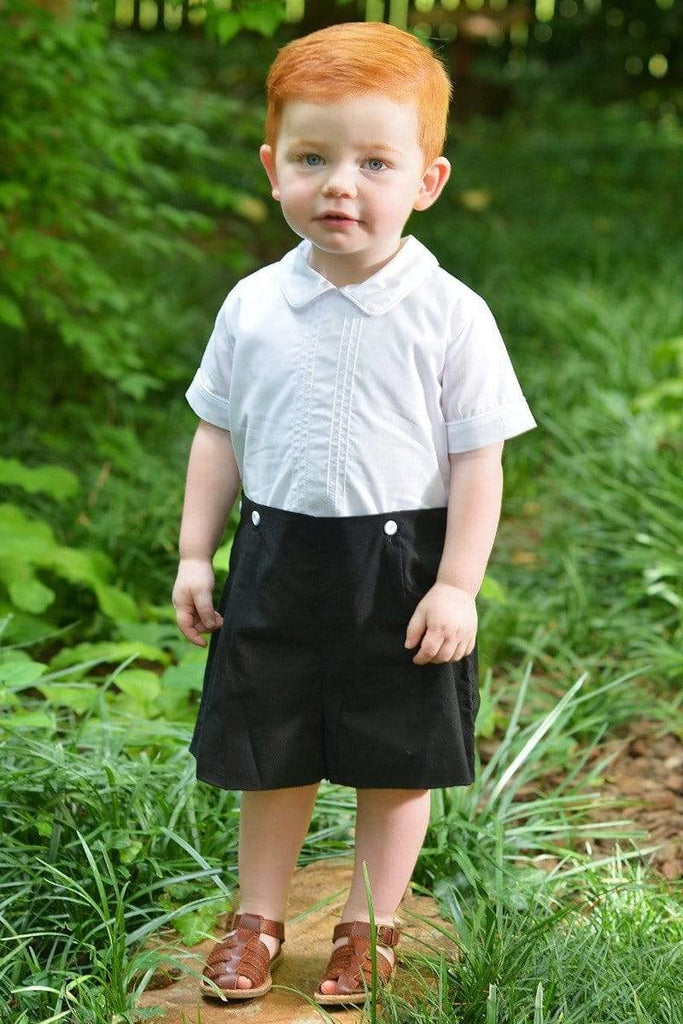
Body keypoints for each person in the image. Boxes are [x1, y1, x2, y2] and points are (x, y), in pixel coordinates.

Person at [172, 19, 537, 1007]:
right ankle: (257, 918)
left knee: (393, 757)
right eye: (312, 157)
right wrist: (195, 555)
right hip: (276, 552)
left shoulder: (448, 314)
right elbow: (217, 433)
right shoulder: (252, 305)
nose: (340, 183)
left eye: (374, 161)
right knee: (272, 751)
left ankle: (367, 925)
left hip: (400, 563)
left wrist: (457, 581)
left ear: (426, 179)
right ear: (272, 167)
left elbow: (478, 459)